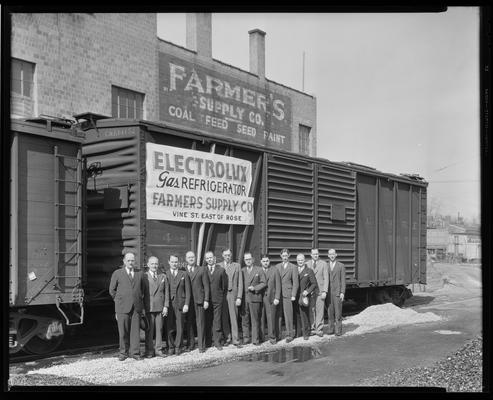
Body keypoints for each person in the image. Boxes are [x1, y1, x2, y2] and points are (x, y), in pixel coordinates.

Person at [109, 252, 149, 361]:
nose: (131, 262)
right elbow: (112, 290)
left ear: (134, 261)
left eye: (132, 260)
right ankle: (123, 353)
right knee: (123, 332)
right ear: (124, 261)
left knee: (135, 332)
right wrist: (119, 301)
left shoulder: (140, 274)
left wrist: (143, 307)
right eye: (129, 260)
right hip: (122, 308)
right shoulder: (117, 273)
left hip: (136, 307)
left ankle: (135, 353)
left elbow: (145, 290)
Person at [165, 254, 191, 355]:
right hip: (169, 304)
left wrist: (187, 304)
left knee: (180, 326)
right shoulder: (165, 274)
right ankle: (170, 346)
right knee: (169, 326)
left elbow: (188, 291)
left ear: (178, 263)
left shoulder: (184, 274)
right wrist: (165, 305)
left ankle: (178, 346)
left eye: (176, 262)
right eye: (172, 262)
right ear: (169, 262)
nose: (174, 264)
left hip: (181, 303)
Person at [184, 251, 210, 353]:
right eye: (189, 257)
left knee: (200, 323)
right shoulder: (183, 270)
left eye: (192, 257)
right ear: (186, 259)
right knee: (189, 324)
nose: (191, 259)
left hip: (199, 300)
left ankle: (201, 346)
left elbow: (206, 286)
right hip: (188, 301)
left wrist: (206, 300)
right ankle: (191, 345)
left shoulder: (202, 269)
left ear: (195, 258)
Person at [143, 256, 168, 358]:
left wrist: (166, 306)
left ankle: (158, 350)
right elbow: (142, 294)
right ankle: (149, 351)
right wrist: (143, 308)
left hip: (160, 307)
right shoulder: (144, 276)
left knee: (159, 329)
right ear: (148, 265)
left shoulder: (163, 276)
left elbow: (166, 292)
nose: (154, 266)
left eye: (156, 264)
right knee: (149, 330)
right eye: (152, 264)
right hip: (149, 307)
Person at [240, 252, 267, 345]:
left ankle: (255, 340)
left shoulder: (259, 270)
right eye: (246, 259)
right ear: (244, 260)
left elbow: (264, 283)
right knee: (245, 319)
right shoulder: (242, 270)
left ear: (253, 260)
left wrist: (255, 288)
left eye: (249, 259)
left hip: (255, 298)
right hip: (245, 299)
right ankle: (246, 338)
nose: (248, 261)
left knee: (255, 319)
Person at [219, 248, 243, 348]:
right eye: (225, 255)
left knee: (234, 318)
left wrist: (239, 297)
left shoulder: (237, 265)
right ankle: (227, 338)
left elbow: (240, 282)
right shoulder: (219, 266)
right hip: (223, 295)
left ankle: (236, 340)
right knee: (224, 318)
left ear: (231, 255)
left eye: (229, 255)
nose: (227, 257)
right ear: (222, 255)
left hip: (233, 294)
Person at [275, 248, 299, 343]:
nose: (284, 257)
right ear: (281, 256)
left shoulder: (293, 267)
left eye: (286, 256)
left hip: (288, 294)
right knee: (278, 315)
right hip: (278, 294)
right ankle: (278, 335)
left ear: (289, 256)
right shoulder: (277, 267)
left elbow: (295, 282)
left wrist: (293, 294)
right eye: (283, 256)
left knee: (288, 315)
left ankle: (289, 334)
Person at [205, 251, 227, 350]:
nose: (210, 259)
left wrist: (220, 296)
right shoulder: (203, 270)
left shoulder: (221, 270)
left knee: (217, 320)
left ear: (214, 258)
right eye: (208, 258)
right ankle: (208, 341)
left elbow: (224, 286)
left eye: (211, 258)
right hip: (206, 300)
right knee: (208, 320)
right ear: (206, 260)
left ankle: (217, 342)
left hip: (218, 299)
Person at [294, 254, 318, 340]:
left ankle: (306, 333)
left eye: (302, 260)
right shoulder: (294, 270)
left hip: (304, 296)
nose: (300, 261)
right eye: (298, 260)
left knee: (304, 314)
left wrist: (307, 291)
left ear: (304, 260)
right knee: (296, 315)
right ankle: (298, 333)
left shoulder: (309, 271)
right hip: (295, 296)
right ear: (296, 261)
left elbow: (314, 284)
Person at [306, 248, 329, 337]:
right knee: (311, 310)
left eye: (317, 254)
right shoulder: (307, 264)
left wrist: (325, 291)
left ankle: (319, 329)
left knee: (320, 310)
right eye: (314, 254)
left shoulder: (323, 264)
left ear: (318, 254)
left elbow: (326, 278)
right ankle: (312, 328)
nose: (315, 255)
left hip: (320, 290)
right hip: (311, 291)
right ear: (311, 255)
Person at [259, 254, 281, 344]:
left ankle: (272, 337)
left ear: (269, 261)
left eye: (267, 261)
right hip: (260, 297)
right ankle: (261, 337)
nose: (265, 263)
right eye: (264, 261)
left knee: (271, 318)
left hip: (271, 298)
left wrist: (277, 297)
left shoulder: (274, 270)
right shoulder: (258, 270)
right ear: (261, 262)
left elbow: (278, 285)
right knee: (260, 318)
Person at [327, 249, 346, 336]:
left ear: (336, 255)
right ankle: (331, 329)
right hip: (329, 292)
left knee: (338, 312)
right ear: (328, 255)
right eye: (330, 254)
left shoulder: (341, 266)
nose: (332, 256)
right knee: (330, 312)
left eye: (333, 254)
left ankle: (338, 330)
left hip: (337, 292)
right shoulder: (326, 265)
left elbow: (343, 280)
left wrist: (342, 292)